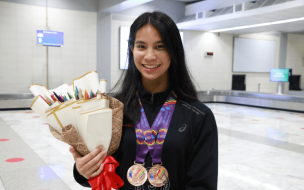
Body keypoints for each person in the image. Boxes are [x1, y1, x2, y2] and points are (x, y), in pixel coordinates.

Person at [70, 11, 218, 190]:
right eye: (141, 46)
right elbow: (98, 174)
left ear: (174, 51)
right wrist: (83, 170)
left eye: (160, 47)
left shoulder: (199, 116)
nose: (149, 56)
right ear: (131, 49)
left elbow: (202, 185)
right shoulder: (110, 109)